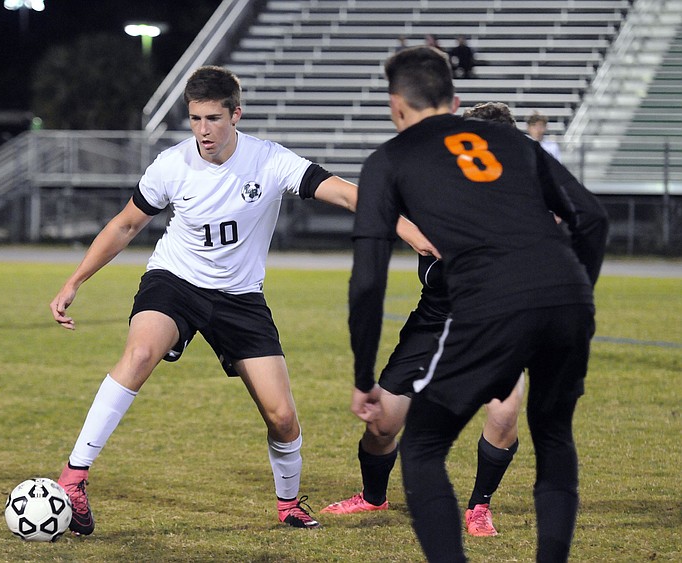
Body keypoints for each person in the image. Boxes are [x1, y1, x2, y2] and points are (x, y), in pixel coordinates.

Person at [49, 65, 357, 535]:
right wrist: (75, 281)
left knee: (282, 416)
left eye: (213, 119)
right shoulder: (172, 164)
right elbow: (125, 225)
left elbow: (340, 191)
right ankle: (73, 479)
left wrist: (404, 219)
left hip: (240, 297)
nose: (203, 131)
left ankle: (289, 504)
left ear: (236, 114)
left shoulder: (270, 160)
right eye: (194, 119)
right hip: (176, 281)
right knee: (140, 352)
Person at [348, 47, 608, 562]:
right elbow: (593, 219)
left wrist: (362, 375)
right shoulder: (512, 141)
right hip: (568, 298)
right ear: (454, 98)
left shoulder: (390, 158)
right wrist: (579, 297)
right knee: (554, 435)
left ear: (396, 106)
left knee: (422, 445)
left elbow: (368, 281)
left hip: (490, 306)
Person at [321, 102, 531, 539]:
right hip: (432, 324)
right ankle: (373, 496)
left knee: (506, 411)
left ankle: (478, 507)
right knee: (381, 423)